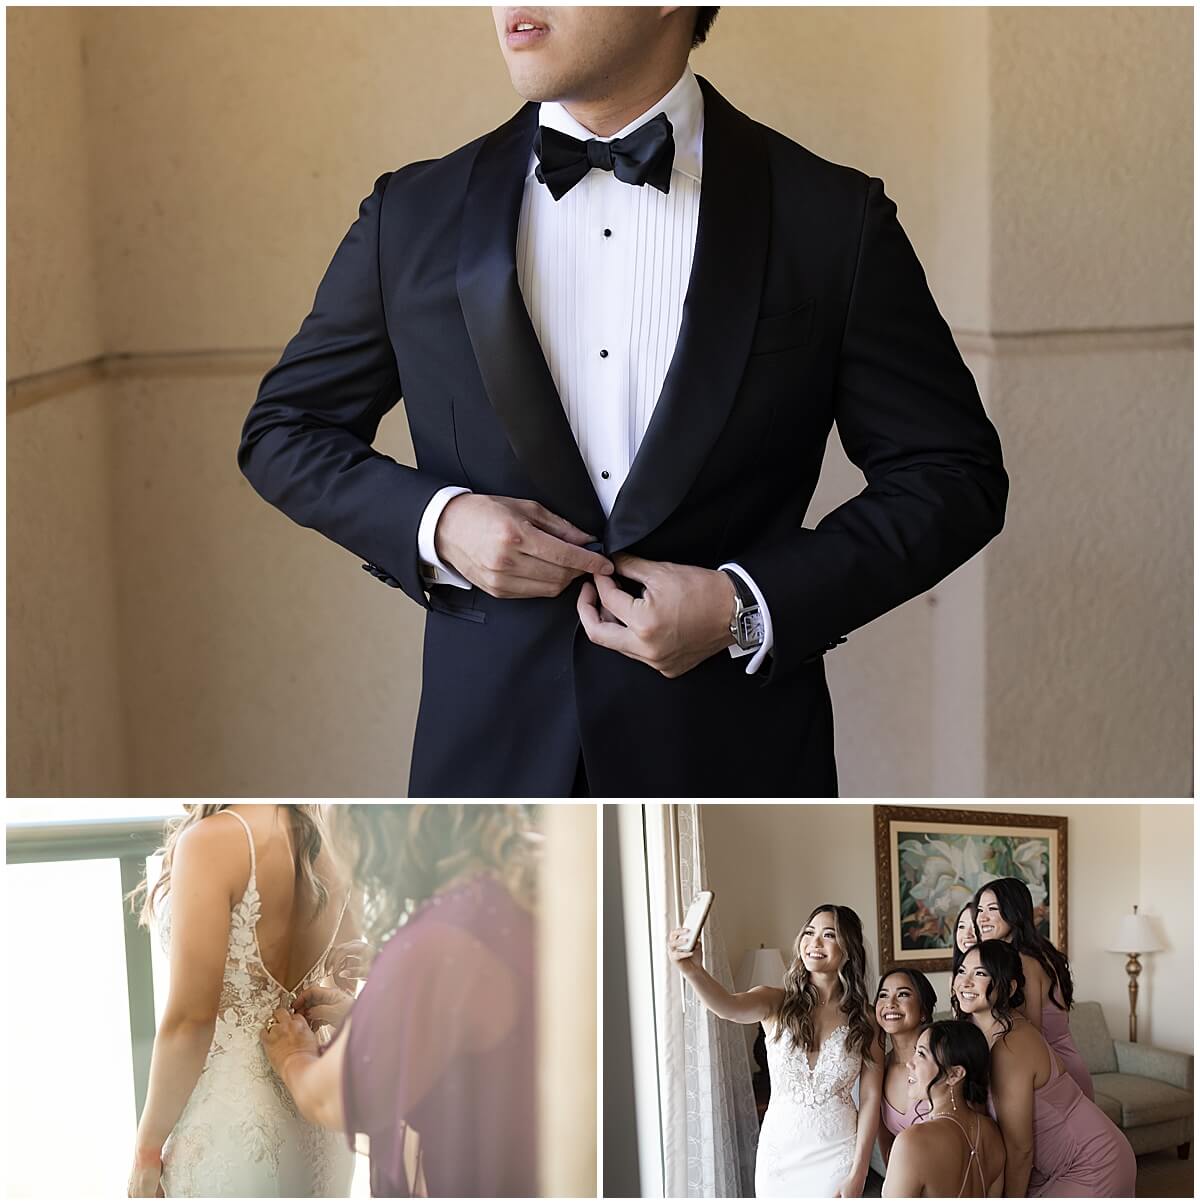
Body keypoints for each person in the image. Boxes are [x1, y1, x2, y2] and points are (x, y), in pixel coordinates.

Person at [236, 5, 1008, 797]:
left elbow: (953, 476)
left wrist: (744, 605)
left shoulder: (832, 219)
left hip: (732, 764)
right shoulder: (411, 214)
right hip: (489, 775)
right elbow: (285, 431)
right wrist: (442, 523)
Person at [260, 805, 539, 1197]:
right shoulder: (513, 898)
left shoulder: (437, 943)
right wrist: (370, 1018)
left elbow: (332, 1098)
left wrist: (293, 1056)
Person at [126, 805, 357, 1198]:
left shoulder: (209, 843)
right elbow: (344, 979)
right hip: (319, 1124)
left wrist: (146, 1151)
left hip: (230, 1132)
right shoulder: (340, 834)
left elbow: (190, 1022)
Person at [670, 903, 881, 1197]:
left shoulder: (866, 1018)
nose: (815, 942)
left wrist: (858, 1172)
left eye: (829, 935)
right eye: (809, 932)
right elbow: (727, 1007)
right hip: (779, 1157)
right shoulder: (775, 1002)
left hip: (837, 1155)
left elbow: (871, 1099)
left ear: (849, 949)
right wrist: (692, 970)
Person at [955, 941, 1135, 1197]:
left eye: (981, 973)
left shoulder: (1011, 1044)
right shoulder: (978, 1034)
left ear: (1011, 985)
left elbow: (1020, 1149)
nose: (965, 982)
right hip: (1050, 1167)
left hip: (1092, 1162)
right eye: (962, 971)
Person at [972, 877, 1092, 1098]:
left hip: (1053, 1070)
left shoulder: (1023, 961)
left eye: (992, 909)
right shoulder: (1032, 952)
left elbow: (1029, 1033)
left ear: (1014, 912)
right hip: (1049, 1065)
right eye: (979, 910)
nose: (982, 918)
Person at [881, 1021, 1005, 1197]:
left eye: (921, 1054)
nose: (910, 1063)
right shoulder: (992, 1133)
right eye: (915, 1051)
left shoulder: (912, 1142)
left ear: (955, 1074)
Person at [874, 968, 937, 1163]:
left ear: (924, 1011)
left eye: (903, 994)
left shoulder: (943, 1062)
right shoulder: (879, 1070)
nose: (890, 1004)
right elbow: (887, 1149)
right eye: (883, 995)